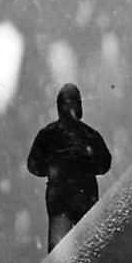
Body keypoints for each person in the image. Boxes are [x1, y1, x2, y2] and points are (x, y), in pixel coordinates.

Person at [27, 83, 112, 250]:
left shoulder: (47, 135)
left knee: (59, 256)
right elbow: (104, 164)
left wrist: (54, 168)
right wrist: (84, 166)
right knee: (90, 248)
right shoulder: (89, 135)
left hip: (58, 200)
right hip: (85, 197)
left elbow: (33, 165)